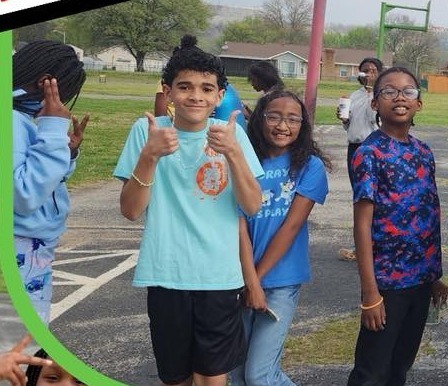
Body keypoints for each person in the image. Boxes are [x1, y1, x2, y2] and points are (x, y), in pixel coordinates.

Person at [113, 34, 264, 386]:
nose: (196, 96)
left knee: (212, 376)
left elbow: (252, 205)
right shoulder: (147, 131)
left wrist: (234, 153)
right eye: (185, 87)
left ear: (219, 96)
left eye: (207, 89)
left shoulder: (232, 134)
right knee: (175, 377)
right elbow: (131, 211)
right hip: (166, 273)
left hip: (218, 276)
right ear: (168, 91)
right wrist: (150, 156)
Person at [347, 66, 448, 386]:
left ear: (420, 102)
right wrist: (370, 293)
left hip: (420, 280)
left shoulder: (423, 152)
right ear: (375, 103)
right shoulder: (369, 153)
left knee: (399, 366)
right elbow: (361, 226)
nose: (400, 98)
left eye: (409, 91)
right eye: (389, 91)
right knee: (371, 371)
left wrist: (435, 276)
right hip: (387, 282)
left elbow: (430, 215)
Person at [230, 90, 330, 385]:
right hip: (238, 278)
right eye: (273, 116)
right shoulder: (243, 163)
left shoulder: (309, 167)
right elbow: (239, 229)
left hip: (280, 281)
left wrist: (257, 283)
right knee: (237, 375)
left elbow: (290, 228)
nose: (282, 126)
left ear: (303, 126)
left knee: (259, 375)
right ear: (259, 119)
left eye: (292, 119)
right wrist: (249, 282)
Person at [12, 40, 89, 324]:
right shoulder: (11, 122)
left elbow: (41, 181)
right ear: (46, 84)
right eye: (65, 93)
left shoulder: (22, 118)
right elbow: (24, 195)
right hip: (21, 246)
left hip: (33, 247)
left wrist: (65, 153)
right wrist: (54, 129)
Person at [337, 57, 383, 261]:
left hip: (374, 149)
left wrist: (375, 93)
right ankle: (362, 246)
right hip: (355, 148)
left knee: (377, 197)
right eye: (365, 70)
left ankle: (378, 244)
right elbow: (351, 125)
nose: (369, 73)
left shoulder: (382, 95)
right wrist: (344, 120)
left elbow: (376, 121)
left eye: (373, 70)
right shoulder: (354, 96)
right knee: (360, 197)